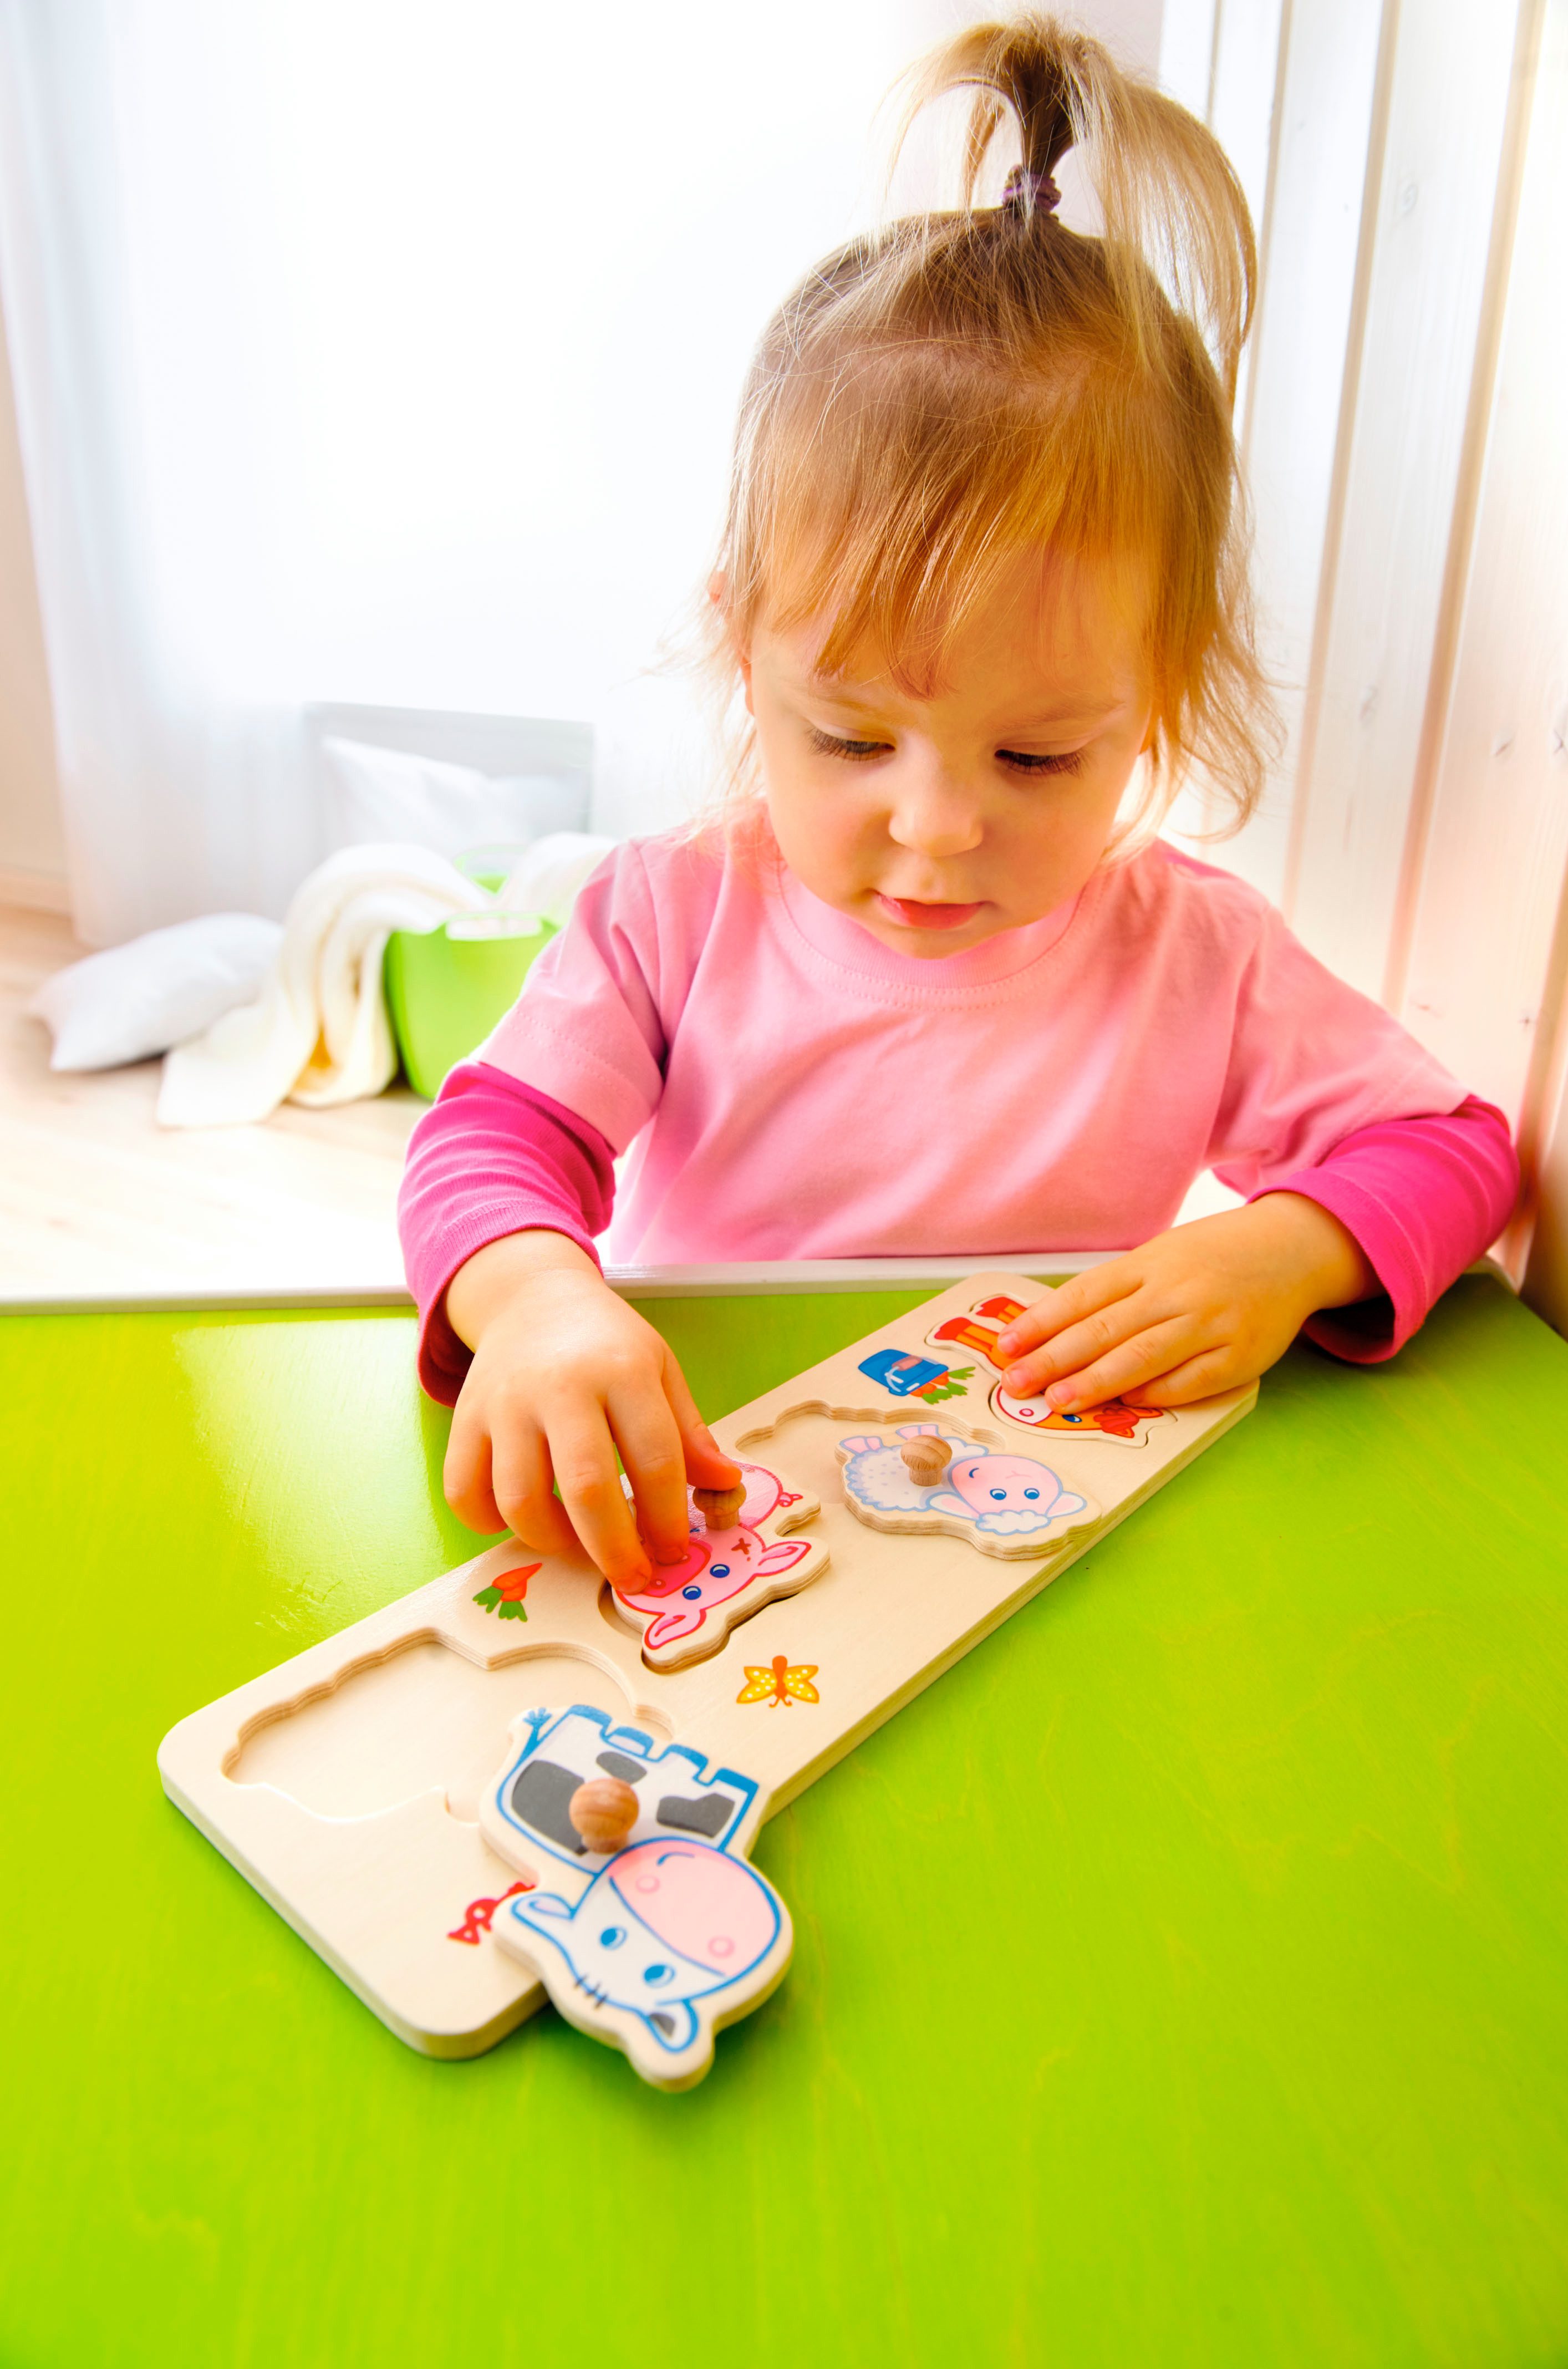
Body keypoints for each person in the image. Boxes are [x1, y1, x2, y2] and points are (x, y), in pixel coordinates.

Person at [398, 14, 1517, 1592]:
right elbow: (491, 1136)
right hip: (698, 1498)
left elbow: (1451, 1149)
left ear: (1158, 695)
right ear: (745, 645)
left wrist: (1284, 1249)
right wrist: (533, 1300)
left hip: (1018, 1528)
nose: (934, 829)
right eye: (852, 740)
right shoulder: (672, 908)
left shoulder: (1192, 954)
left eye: (1037, 757)